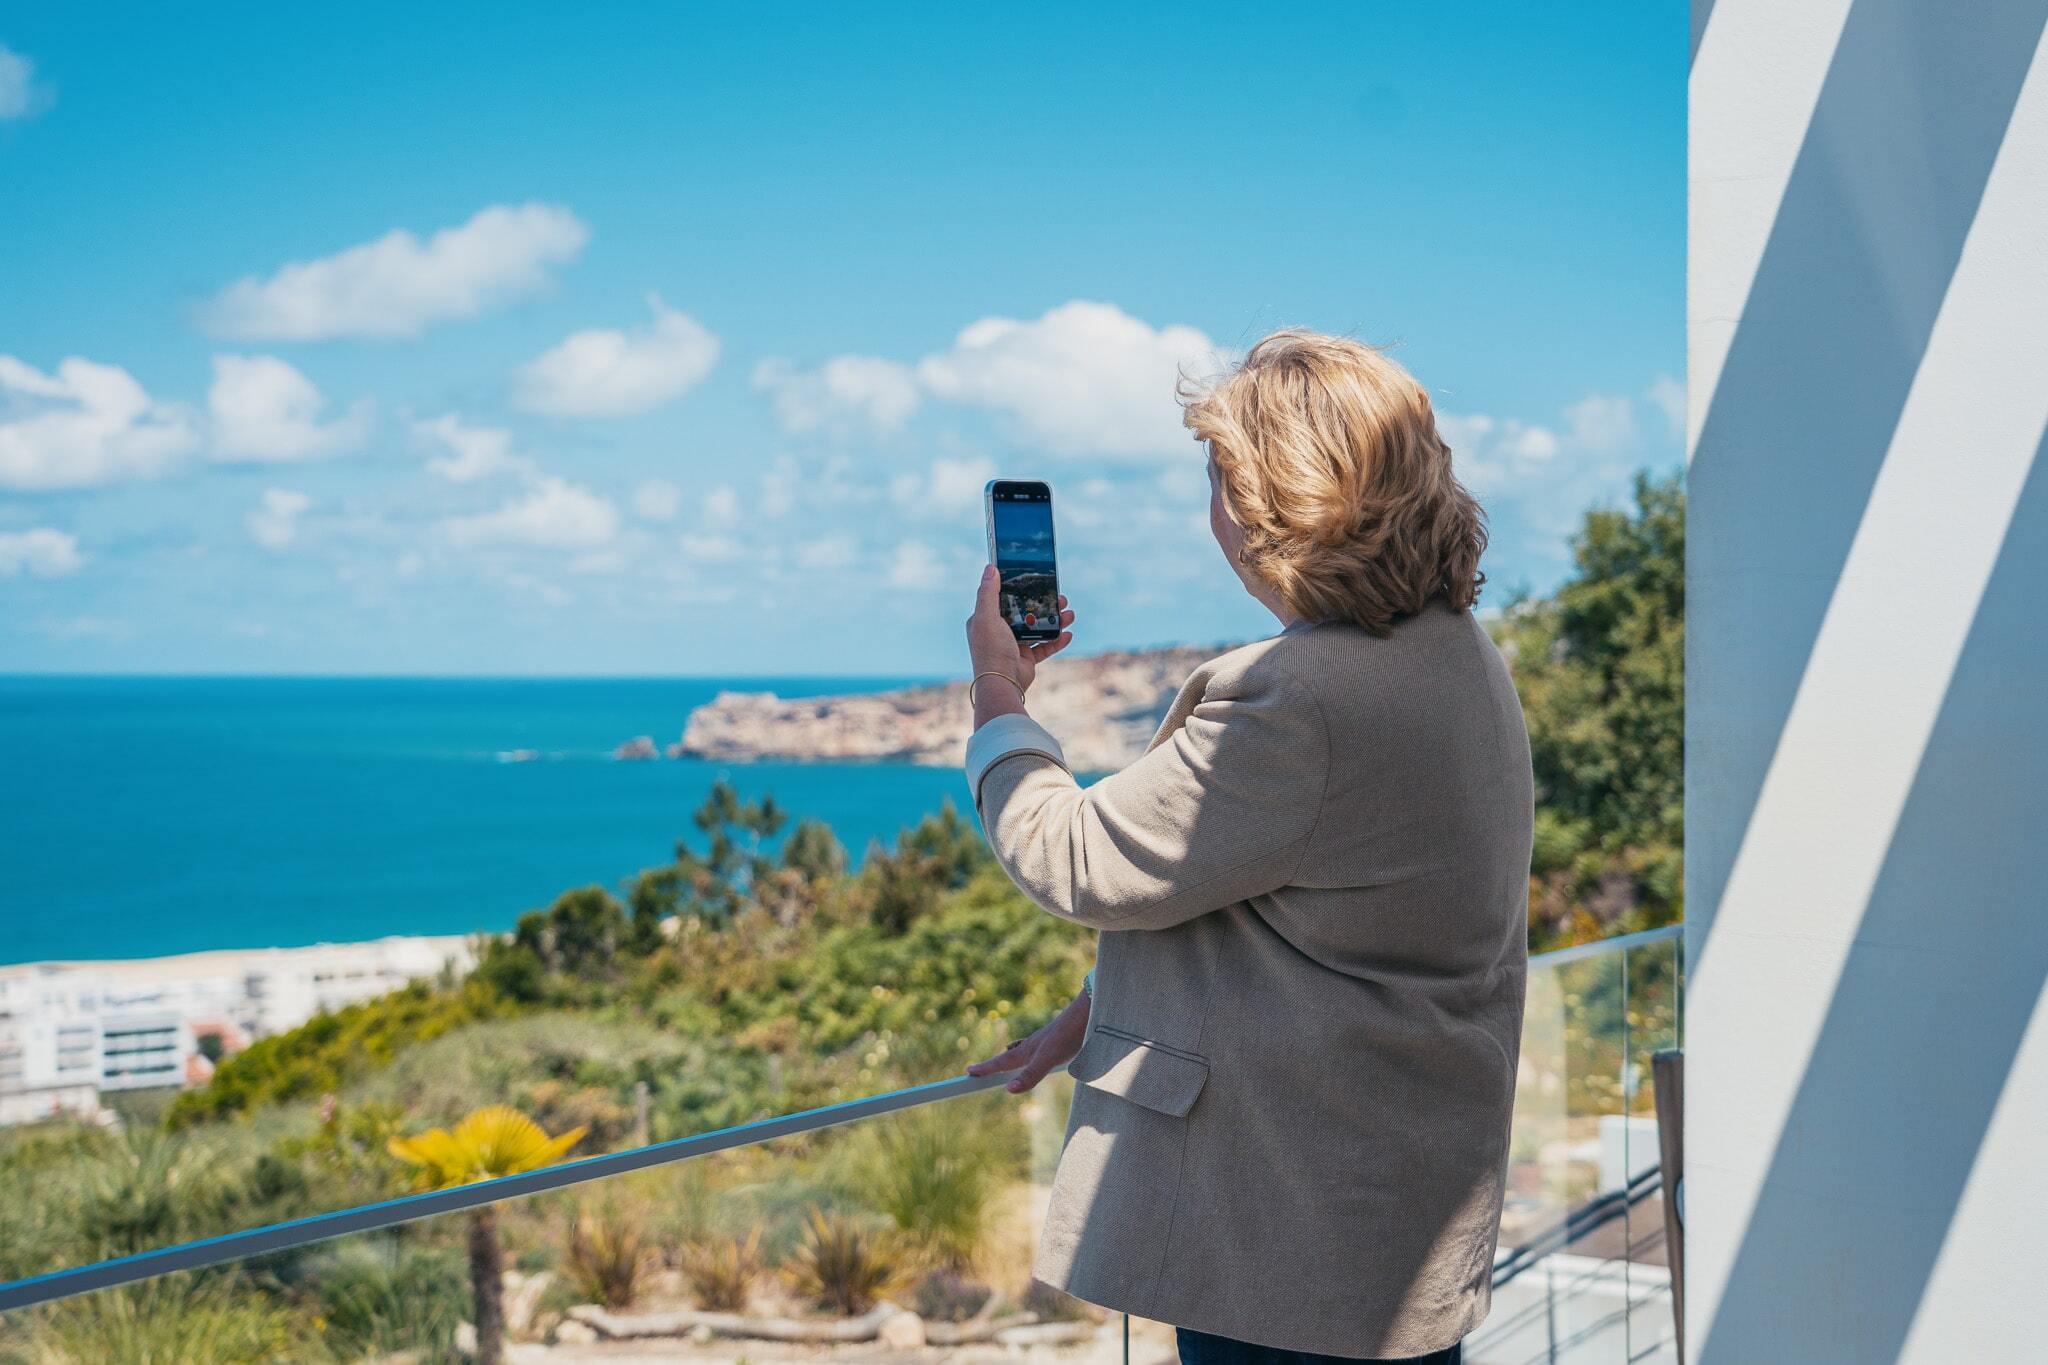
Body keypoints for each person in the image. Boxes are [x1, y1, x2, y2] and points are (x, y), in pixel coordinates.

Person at [963, 330, 1533, 1365]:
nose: (1213, 515)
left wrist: (998, 695)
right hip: (1392, 1215)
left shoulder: (1296, 697)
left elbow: (1070, 857)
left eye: (1224, 482)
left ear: (1282, 504)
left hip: (1288, 1243)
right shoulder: (1454, 657)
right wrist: (1106, 1009)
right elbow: (1332, 902)